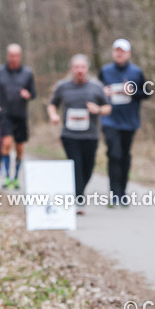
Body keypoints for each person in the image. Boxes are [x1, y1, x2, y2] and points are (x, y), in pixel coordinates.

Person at [48, 54, 110, 215]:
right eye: (76, 67)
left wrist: (98, 109)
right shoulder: (63, 87)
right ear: (71, 69)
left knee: (88, 168)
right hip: (70, 135)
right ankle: (79, 200)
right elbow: (52, 104)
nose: (79, 70)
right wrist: (53, 115)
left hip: (90, 136)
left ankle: (78, 193)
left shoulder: (96, 87)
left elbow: (108, 108)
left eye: (82, 67)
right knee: (76, 166)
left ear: (87, 69)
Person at [99, 39, 149, 207]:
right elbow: (95, 92)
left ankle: (123, 192)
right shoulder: (105, 71)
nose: (119, 54)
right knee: (114, 154)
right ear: (113, 53)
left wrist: (133, 91)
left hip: (129, 121)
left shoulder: (136, 72)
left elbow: (147, 93)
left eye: (122, 51)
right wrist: (103, 93)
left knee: (124, 156)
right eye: (116, 51)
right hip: (110, 120)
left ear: (128, 54)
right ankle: (114, 194)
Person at [0, 43, 36, 189]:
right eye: (11, 56)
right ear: (7, 56)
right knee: (6, 143)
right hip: (5, 114)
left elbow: (33, 93)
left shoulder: (27, 73)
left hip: (20, 115)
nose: (14, 58)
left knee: (19, 147)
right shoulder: (0, 72)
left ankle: (15, 177)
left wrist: (28, 95)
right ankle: (7, 177)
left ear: (20, 56)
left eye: (16, 56)